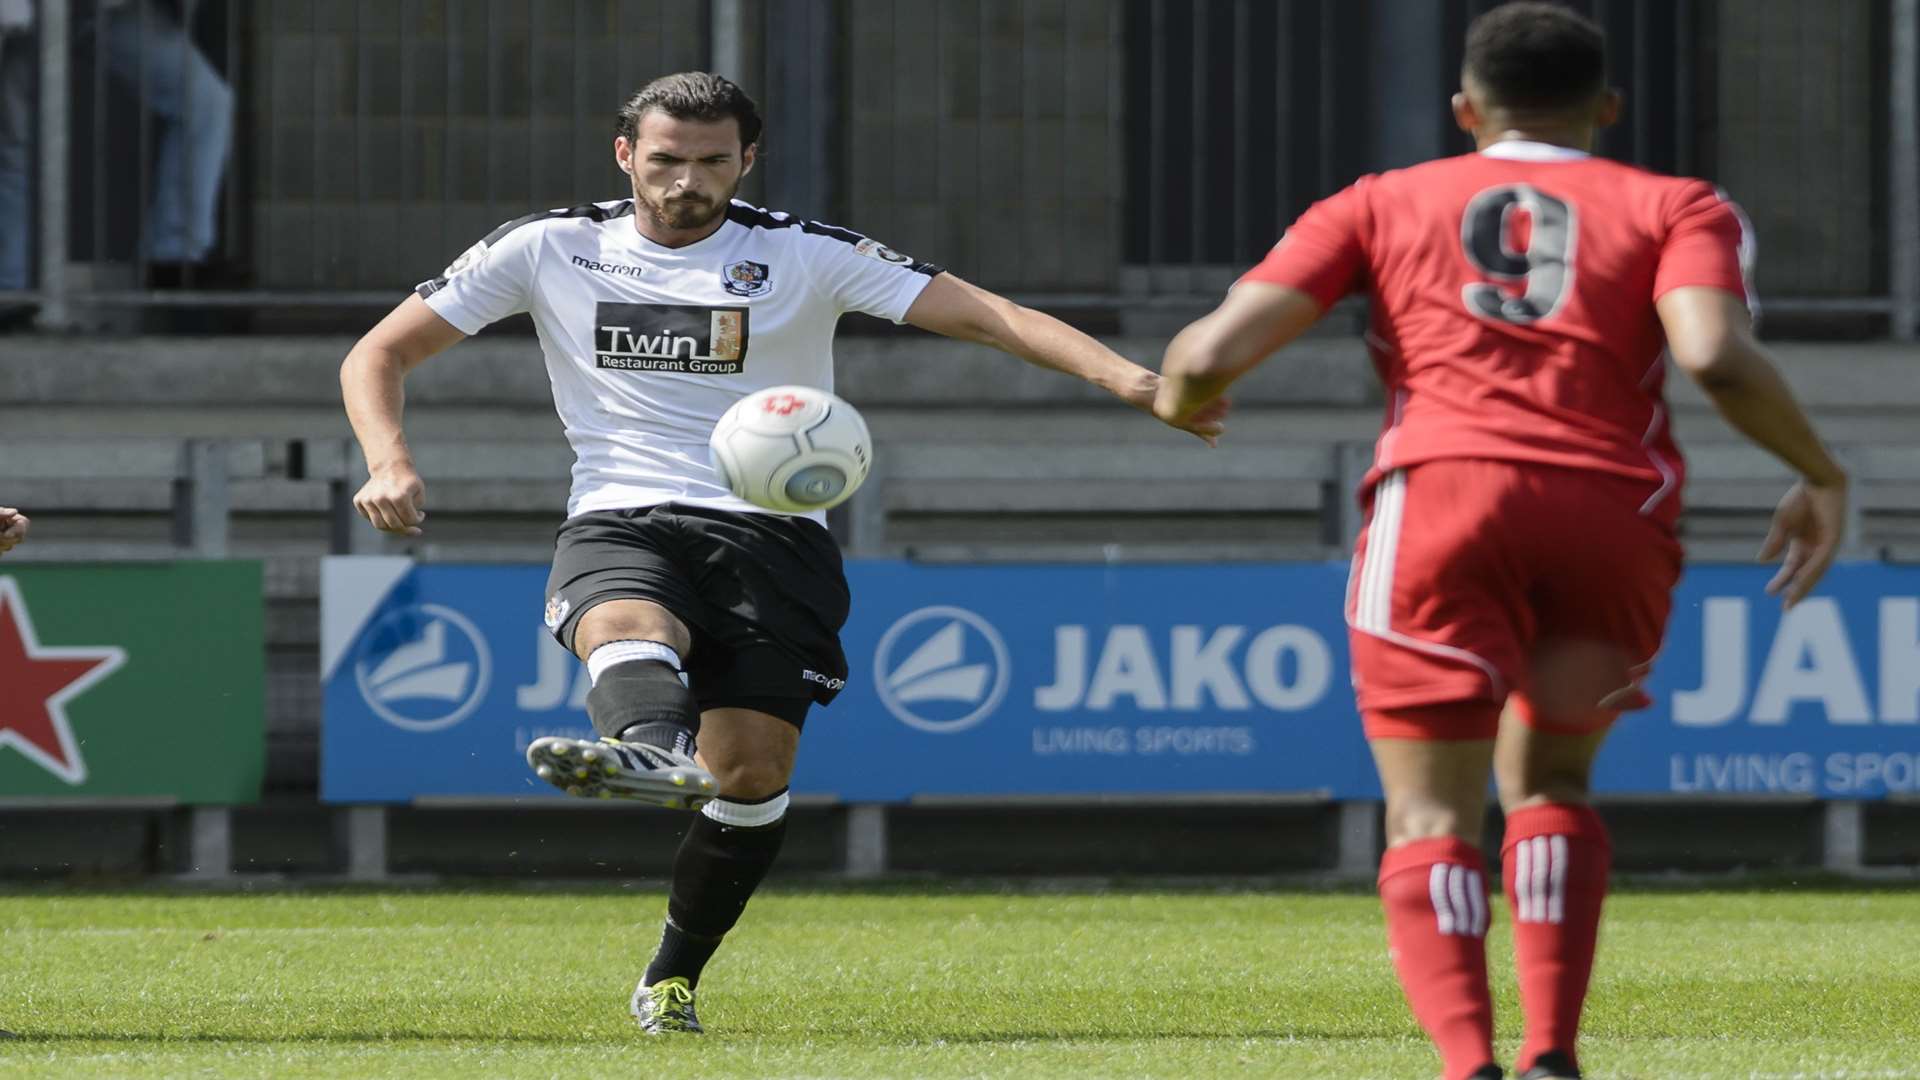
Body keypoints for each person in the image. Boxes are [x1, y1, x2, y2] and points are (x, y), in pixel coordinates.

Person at [341, 72, 1225, 1036]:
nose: (688, 182)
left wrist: (1139, 384)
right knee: (629, 621)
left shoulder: (803, 255)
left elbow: (986, 315)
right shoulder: (551, 246)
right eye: (667, 160)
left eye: (713, 161)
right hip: (620, 506)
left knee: (753, 775)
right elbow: (377, 351)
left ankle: (672, 975)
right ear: (625, 154)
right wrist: (389, 459)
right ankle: (649, 751)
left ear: (747, 159)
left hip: (773, 529)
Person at [1154, 5, 1846, 1080]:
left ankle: (1469, 1063)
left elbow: (1211, 352)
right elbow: (1713, 354)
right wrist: (1822, 471)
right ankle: (1552, 1053)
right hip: (1609, 515)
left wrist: (1185, 392)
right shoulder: (1678, 204)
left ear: (1466, 110)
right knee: (1556, 786)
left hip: (1443, 499)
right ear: (1606, 110)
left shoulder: (1379, 201)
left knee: (1430, 806)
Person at [0, 0, 233, 305]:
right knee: (17, 147)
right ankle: (9, 289)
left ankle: (173, 260)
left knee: (205, 103)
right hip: (35, 14)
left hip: (104, 11)